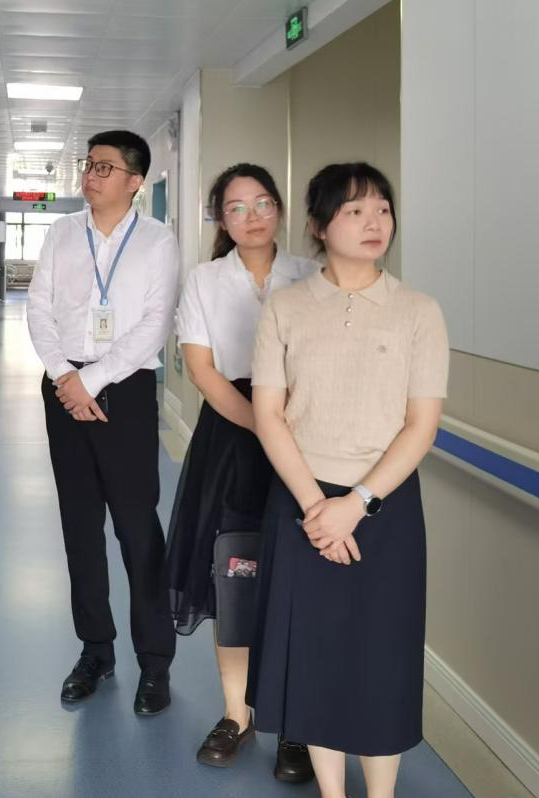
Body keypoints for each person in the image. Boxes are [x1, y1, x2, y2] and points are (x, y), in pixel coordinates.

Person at [247, 163, 449, 798]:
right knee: (316, 657)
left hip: (385, 507)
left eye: (383, 209)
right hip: (302, 503)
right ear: (318, 225)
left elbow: (421, 425)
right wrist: (319, 508)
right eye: (355, 210)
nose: (374, 222)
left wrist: (355, 504)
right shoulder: (285, 308)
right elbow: (268, 413)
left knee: (380, 658)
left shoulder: (418, 311)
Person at [163, 163, 317, 782]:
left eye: (262, 203)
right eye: (236, 207)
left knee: (299, 579)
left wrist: (287, 429)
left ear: (279, 208)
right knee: (235, 576)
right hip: (234, 436)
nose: (251, 217)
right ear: (220, 219)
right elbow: (203, 370)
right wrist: (265, 426)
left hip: (308, 436)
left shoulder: (311, 274)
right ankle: (237, 714)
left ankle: (295, 722)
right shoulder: (205, 280)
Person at [26, 130, 181, 715]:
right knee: (80, 526)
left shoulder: (158, 241)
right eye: (88, 164)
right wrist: (65, 376)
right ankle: (96, 649)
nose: (90, 175)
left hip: (127, 391)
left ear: (135, 181)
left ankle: (155, 661)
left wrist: (92, 380)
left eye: (105, 167)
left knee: (138, 530)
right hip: (63, 388)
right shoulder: (62, 233)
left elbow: (154, 322)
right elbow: (39, 307)